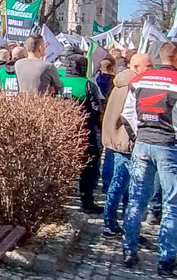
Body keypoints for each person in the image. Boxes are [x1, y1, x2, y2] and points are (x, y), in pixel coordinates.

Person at [120, 40, 177, 278]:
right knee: (173, 204)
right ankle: (166, 260)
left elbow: (127, 115)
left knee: (136, 200)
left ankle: (129, 250)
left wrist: (140, 136)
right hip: (172, 148)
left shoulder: (139, 80)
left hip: (143, 145)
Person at [101, 52, 153, 237]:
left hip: (118, 138)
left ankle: (116, 223)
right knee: (122, 184)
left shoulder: (121, 82)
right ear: (136, 67)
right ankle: (112, 224)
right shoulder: (133, 86)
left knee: (121, 184)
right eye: (149, 66)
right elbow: (129, 116)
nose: (152, 70)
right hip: (126, 141)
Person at [58, 54, 105, 213]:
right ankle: (86, 202)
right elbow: (97, 110)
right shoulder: (87, 84)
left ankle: (59, 202)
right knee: (89, 168)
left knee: (61, 168)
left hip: (59, 133)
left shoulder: (59, 81)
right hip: (84, 133)